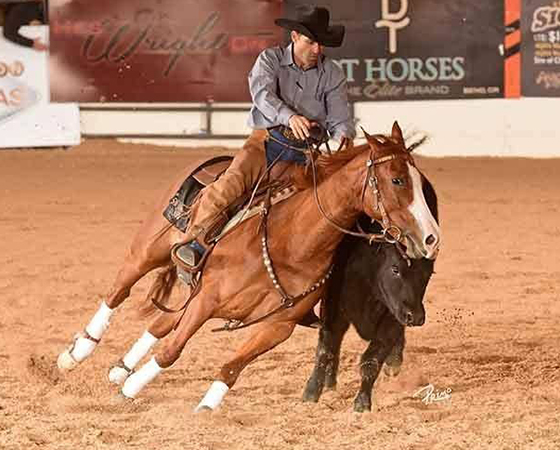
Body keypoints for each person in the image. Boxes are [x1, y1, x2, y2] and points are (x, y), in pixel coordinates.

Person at [174, 5, 355, 264]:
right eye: (311, 42)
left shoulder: (332, 73)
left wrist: (342, 137)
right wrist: (290, 117)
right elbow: (263, 95)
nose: (317, 50)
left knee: (332, 203)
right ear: (294, 37)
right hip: (267, 142)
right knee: (231, 184)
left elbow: (340, 118)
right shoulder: (269, 60)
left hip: (307, 155)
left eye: (321, 44)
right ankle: (194, 243)